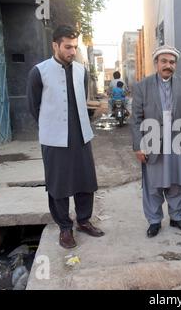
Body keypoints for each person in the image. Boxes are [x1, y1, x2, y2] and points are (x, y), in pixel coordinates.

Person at [27, 25, 105, 249]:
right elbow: (33, 107)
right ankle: (64, 228)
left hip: (81, 135)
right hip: (54, 139)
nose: (72, 52)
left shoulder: (81, 70)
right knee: (58, 185)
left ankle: (83, 221)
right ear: (55, 45)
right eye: (67, 47)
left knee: (85, 181)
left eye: (75, 47)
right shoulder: (39, 71)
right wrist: (51, 124)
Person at [131, 45, 181, 238]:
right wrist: (138, 146)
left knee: (177, 182)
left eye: (172, 62)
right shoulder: (142, 86)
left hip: (177, 141)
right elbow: (135, 119)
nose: (168, 65)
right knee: (153, 184)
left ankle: (177, 217)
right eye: (164, 61)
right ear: (156, 63)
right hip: (152, 142)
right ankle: (154, 221)